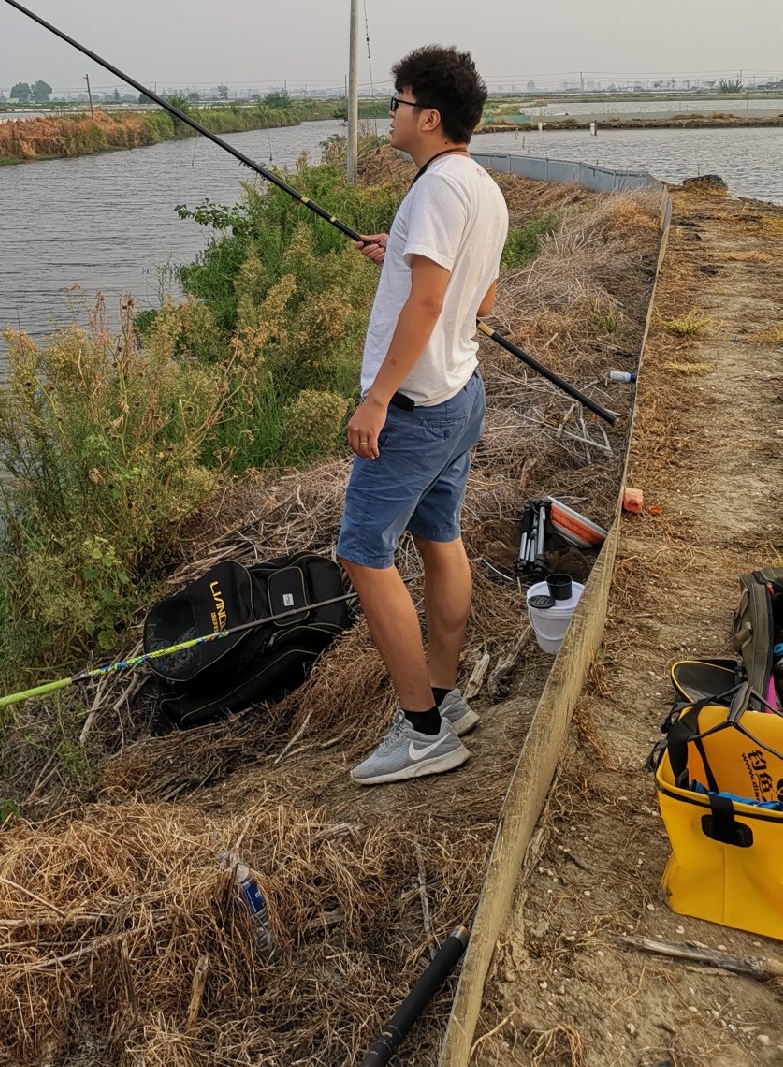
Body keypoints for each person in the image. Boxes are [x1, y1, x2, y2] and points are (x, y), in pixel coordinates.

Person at [340, 45, 508, 786]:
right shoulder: (483, 187)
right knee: (440, 537)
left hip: (414, 410)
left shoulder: (437, 190)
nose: (391, 113)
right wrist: (403, 252)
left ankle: (422, 731)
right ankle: (445, 698)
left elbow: (435, 302)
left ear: (429, 117)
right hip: (460, 395)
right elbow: (482, 299)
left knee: (362, 550)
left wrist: (377, 396)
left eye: (398, 103)